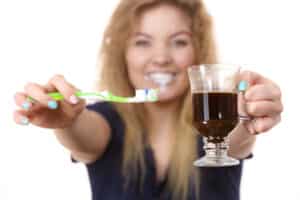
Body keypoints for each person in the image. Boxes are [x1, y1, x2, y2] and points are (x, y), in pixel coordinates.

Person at [13, 0, 283, 199]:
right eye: (143, 42)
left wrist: (246, 113)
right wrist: (65, 122)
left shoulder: (214, 115)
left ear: (198, 52)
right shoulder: (105, 119)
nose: (162, 57)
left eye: (179, 42)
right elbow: (83, 132)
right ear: (123, 53)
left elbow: (235, 137)